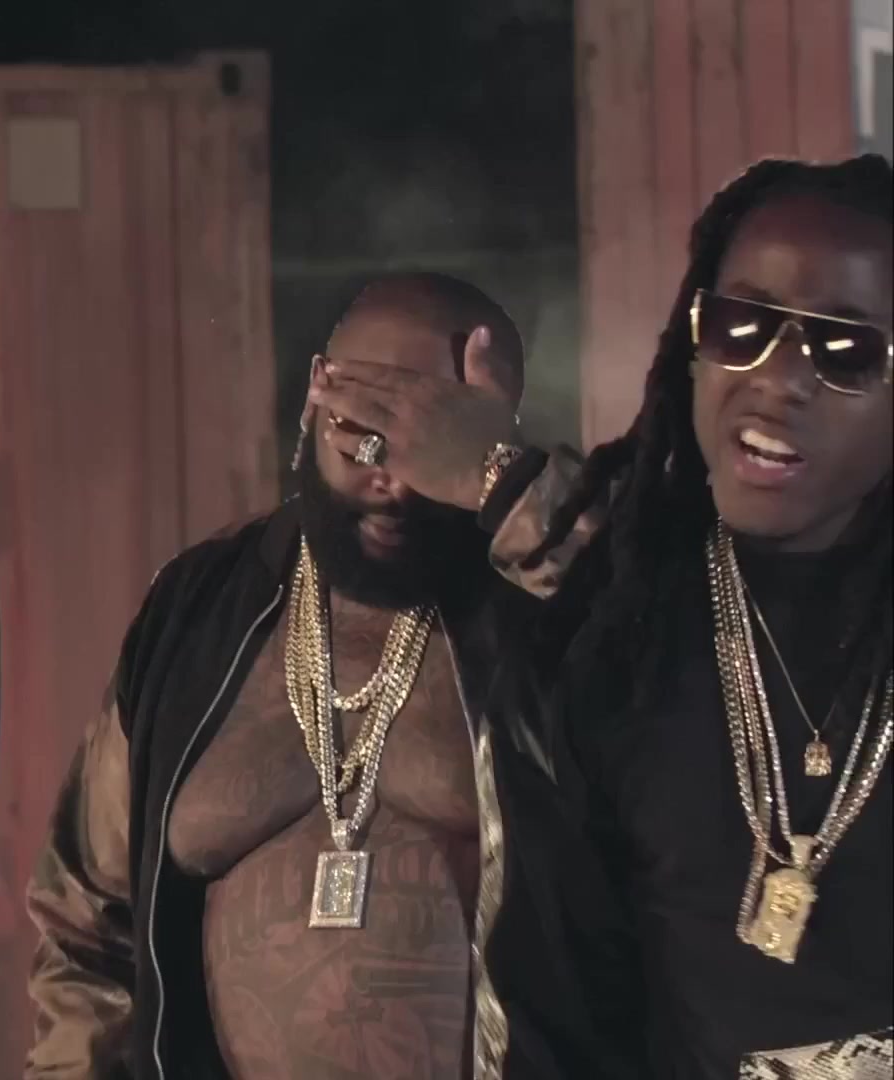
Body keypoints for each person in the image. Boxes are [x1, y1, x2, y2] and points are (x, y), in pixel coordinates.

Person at [310, 154, 892, 1077]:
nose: (779, 377)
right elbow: (555, 1019)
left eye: (844, 350)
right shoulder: (608, 645)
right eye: (741, 326)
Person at [24, 272, 558, 1079]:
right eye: (361, 431)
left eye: (430, 444)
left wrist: (510, 487)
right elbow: (86, 926)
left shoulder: (550, 623)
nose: (391, 477)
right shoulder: (199, 608)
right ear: (316, 390)